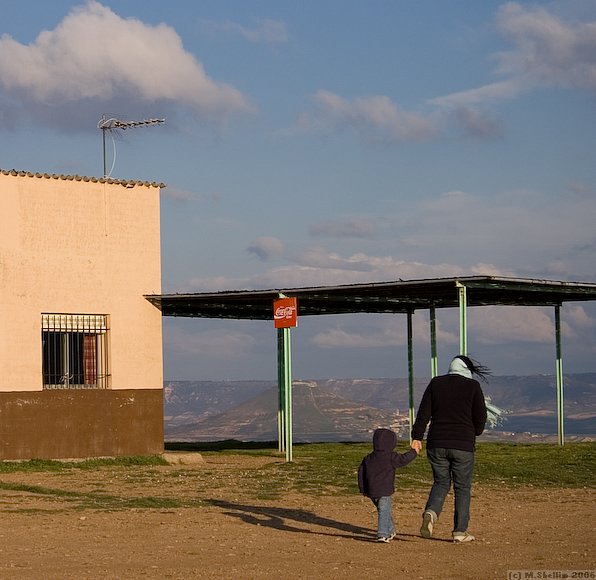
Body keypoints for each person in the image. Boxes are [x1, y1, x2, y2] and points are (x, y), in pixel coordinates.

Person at [411, 355, 489, 543]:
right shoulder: (472, 387)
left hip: (436, 443)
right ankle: (459, 532)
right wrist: (476, 431)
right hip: (463, 445)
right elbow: (481, 415)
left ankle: (431, 512)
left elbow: (423, 413)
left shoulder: (436, 384)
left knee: (441, 483)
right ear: (467, 369)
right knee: (462, 488)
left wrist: (416, 437)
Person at [358, 427, 420, 542]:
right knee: (384, 510)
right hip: (384, 490)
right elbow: (404, 459)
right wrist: (414, 452)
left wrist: (363, 488)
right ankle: (382, 534)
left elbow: (361, 473)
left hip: (371, 491)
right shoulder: (391, 457)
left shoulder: (368, 458)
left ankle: (390, 530)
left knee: (384, 510)